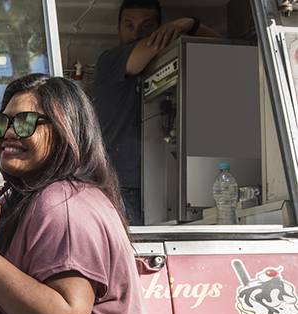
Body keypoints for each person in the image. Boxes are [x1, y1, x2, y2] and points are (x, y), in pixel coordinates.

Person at [0, 73, 171, 314]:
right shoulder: (19, 200)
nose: (8, 134)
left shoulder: (63, 203)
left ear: (64, 130)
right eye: (1, 122)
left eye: (26, 122)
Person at [92, 0, 222, 225]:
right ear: (118, 30)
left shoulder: (162, 64)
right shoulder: (110, 61)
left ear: (158, 26)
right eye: (129, 26)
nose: (136, 34)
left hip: (162, 184)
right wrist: (184, 25)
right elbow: (154, 44)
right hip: (121, 185)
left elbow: (224, 50)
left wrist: (190, 24)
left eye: (146, 26)